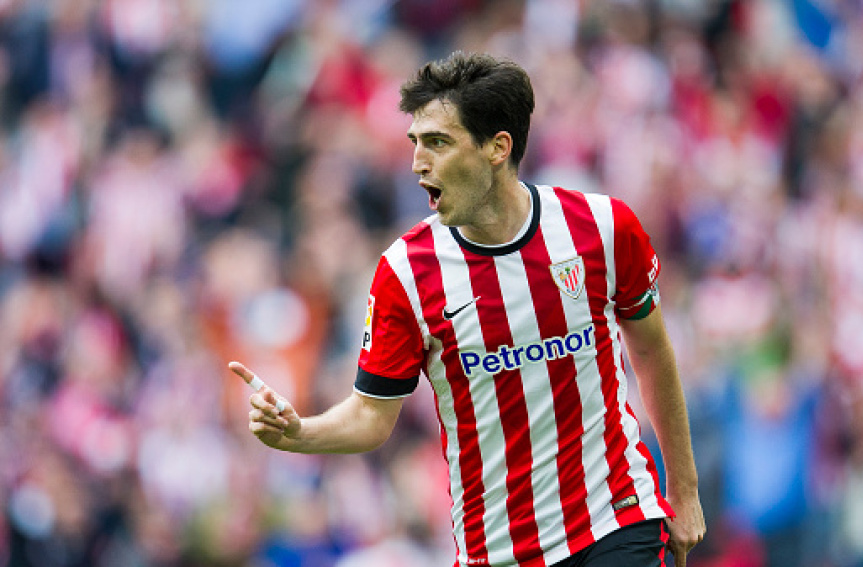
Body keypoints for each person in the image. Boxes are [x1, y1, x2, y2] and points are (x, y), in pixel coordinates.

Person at [230, 51, 706, 567]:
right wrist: (302, 433)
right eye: (415, 143)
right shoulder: (406, 272)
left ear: (497, 148)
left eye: (438, 142)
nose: (417, 163)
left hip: (616, 518)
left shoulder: (601, 228)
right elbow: (372, 415)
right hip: (497, 548)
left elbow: (652, 349)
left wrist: (683, 493)